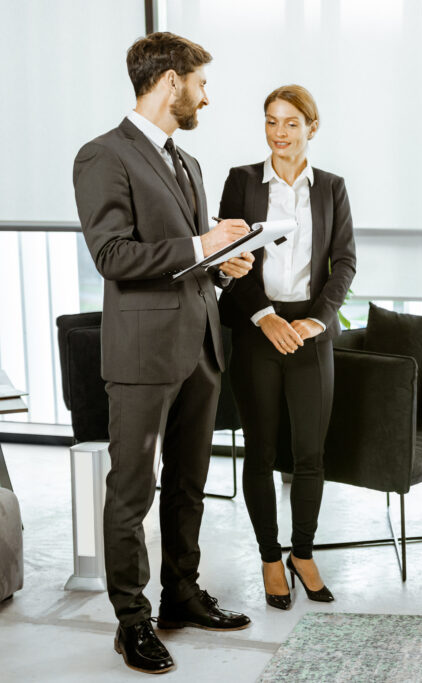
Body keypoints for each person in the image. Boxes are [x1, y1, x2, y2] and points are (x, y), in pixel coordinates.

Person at [73, 32, 255, 675]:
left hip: (200, 345)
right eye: (201, 82)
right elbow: (112, 256)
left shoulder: (188, 162)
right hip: (143, 354)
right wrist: (202, 244)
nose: (207, 94)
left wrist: (223, 264)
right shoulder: (103, 155)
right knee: (132, 491)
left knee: (188, 485)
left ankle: (182, 593)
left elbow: (190, 258)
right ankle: (132, 621)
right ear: (171, 81)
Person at [218, 85, 356, 611]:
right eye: (272, 122)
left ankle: (303, 552)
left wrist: (320, 320)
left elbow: (343, 262)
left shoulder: (332, 188)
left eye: (291, 123)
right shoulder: (242, 182)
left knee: (309, 454)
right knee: (260, 450)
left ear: (311, 128)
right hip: (258, 326)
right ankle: (270, 557)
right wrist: (264, 316)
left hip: (310, 331)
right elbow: (231, 255)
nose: (279, 133)